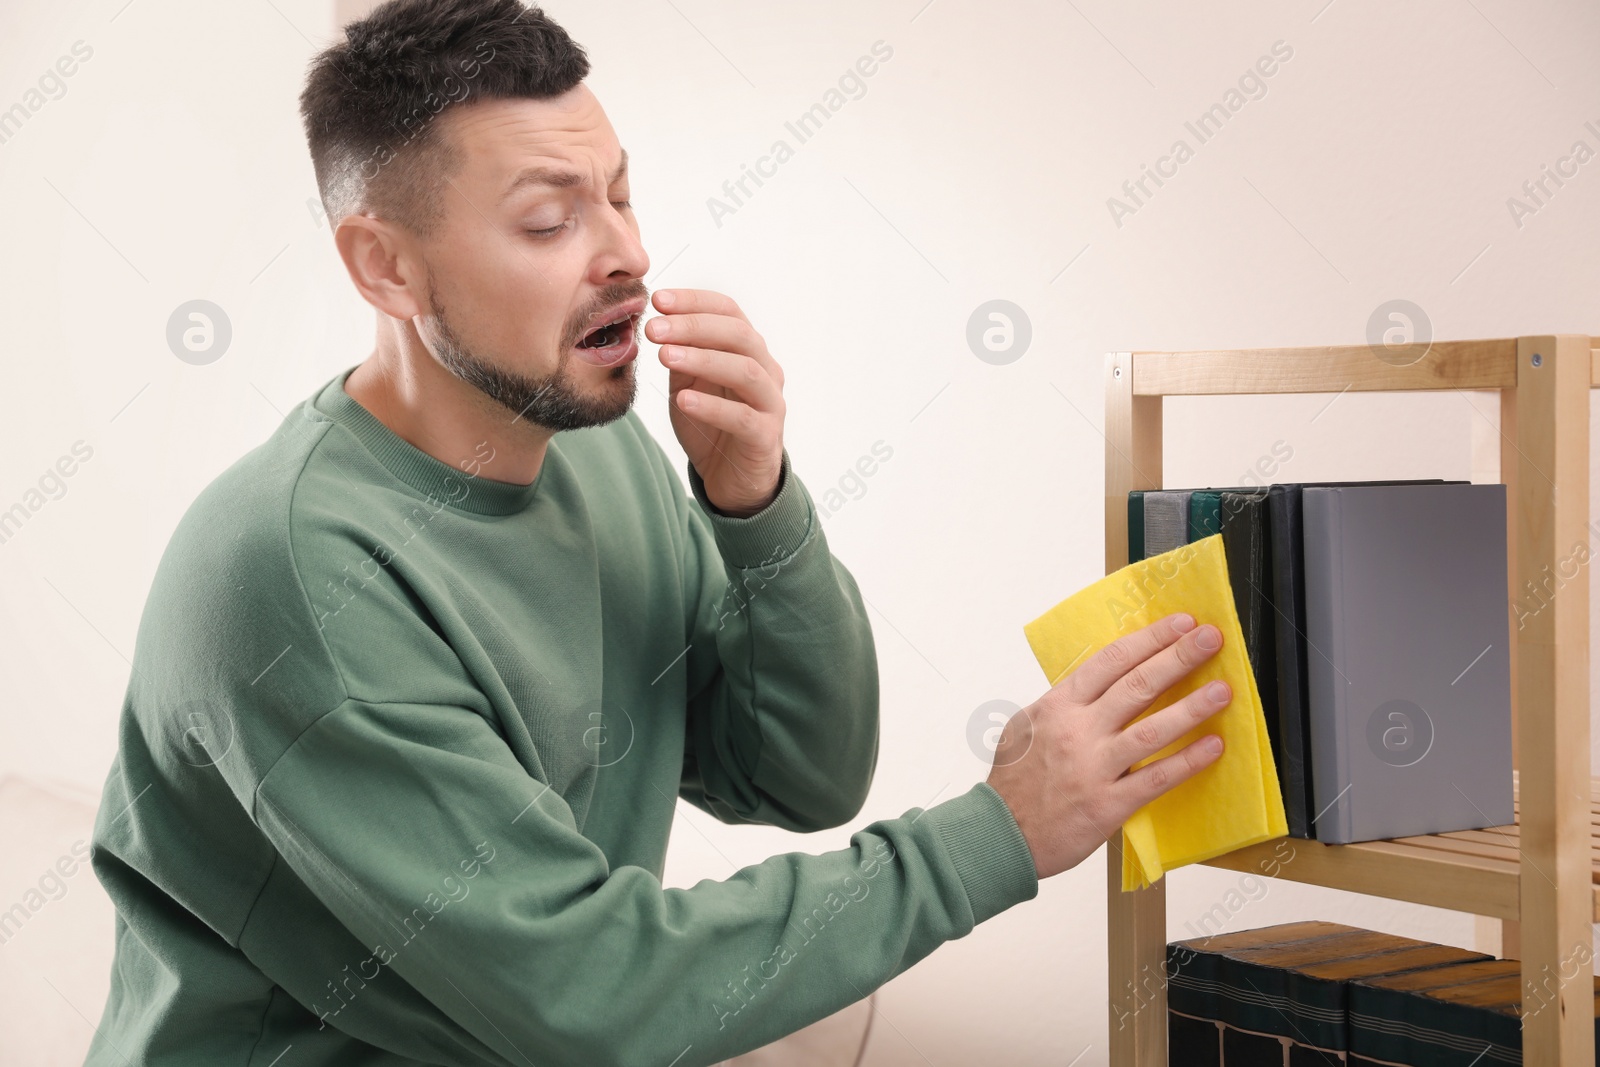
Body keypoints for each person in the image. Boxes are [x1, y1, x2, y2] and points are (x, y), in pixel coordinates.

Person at [82, 1, 1231, 1063]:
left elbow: (798, 774)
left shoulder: (600, 448)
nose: (624, 250)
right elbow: (588, 988)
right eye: (549, 218)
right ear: (387, 266)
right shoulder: (295, 574)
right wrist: (1001, 833)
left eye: (620, 193)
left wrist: (754, 506)